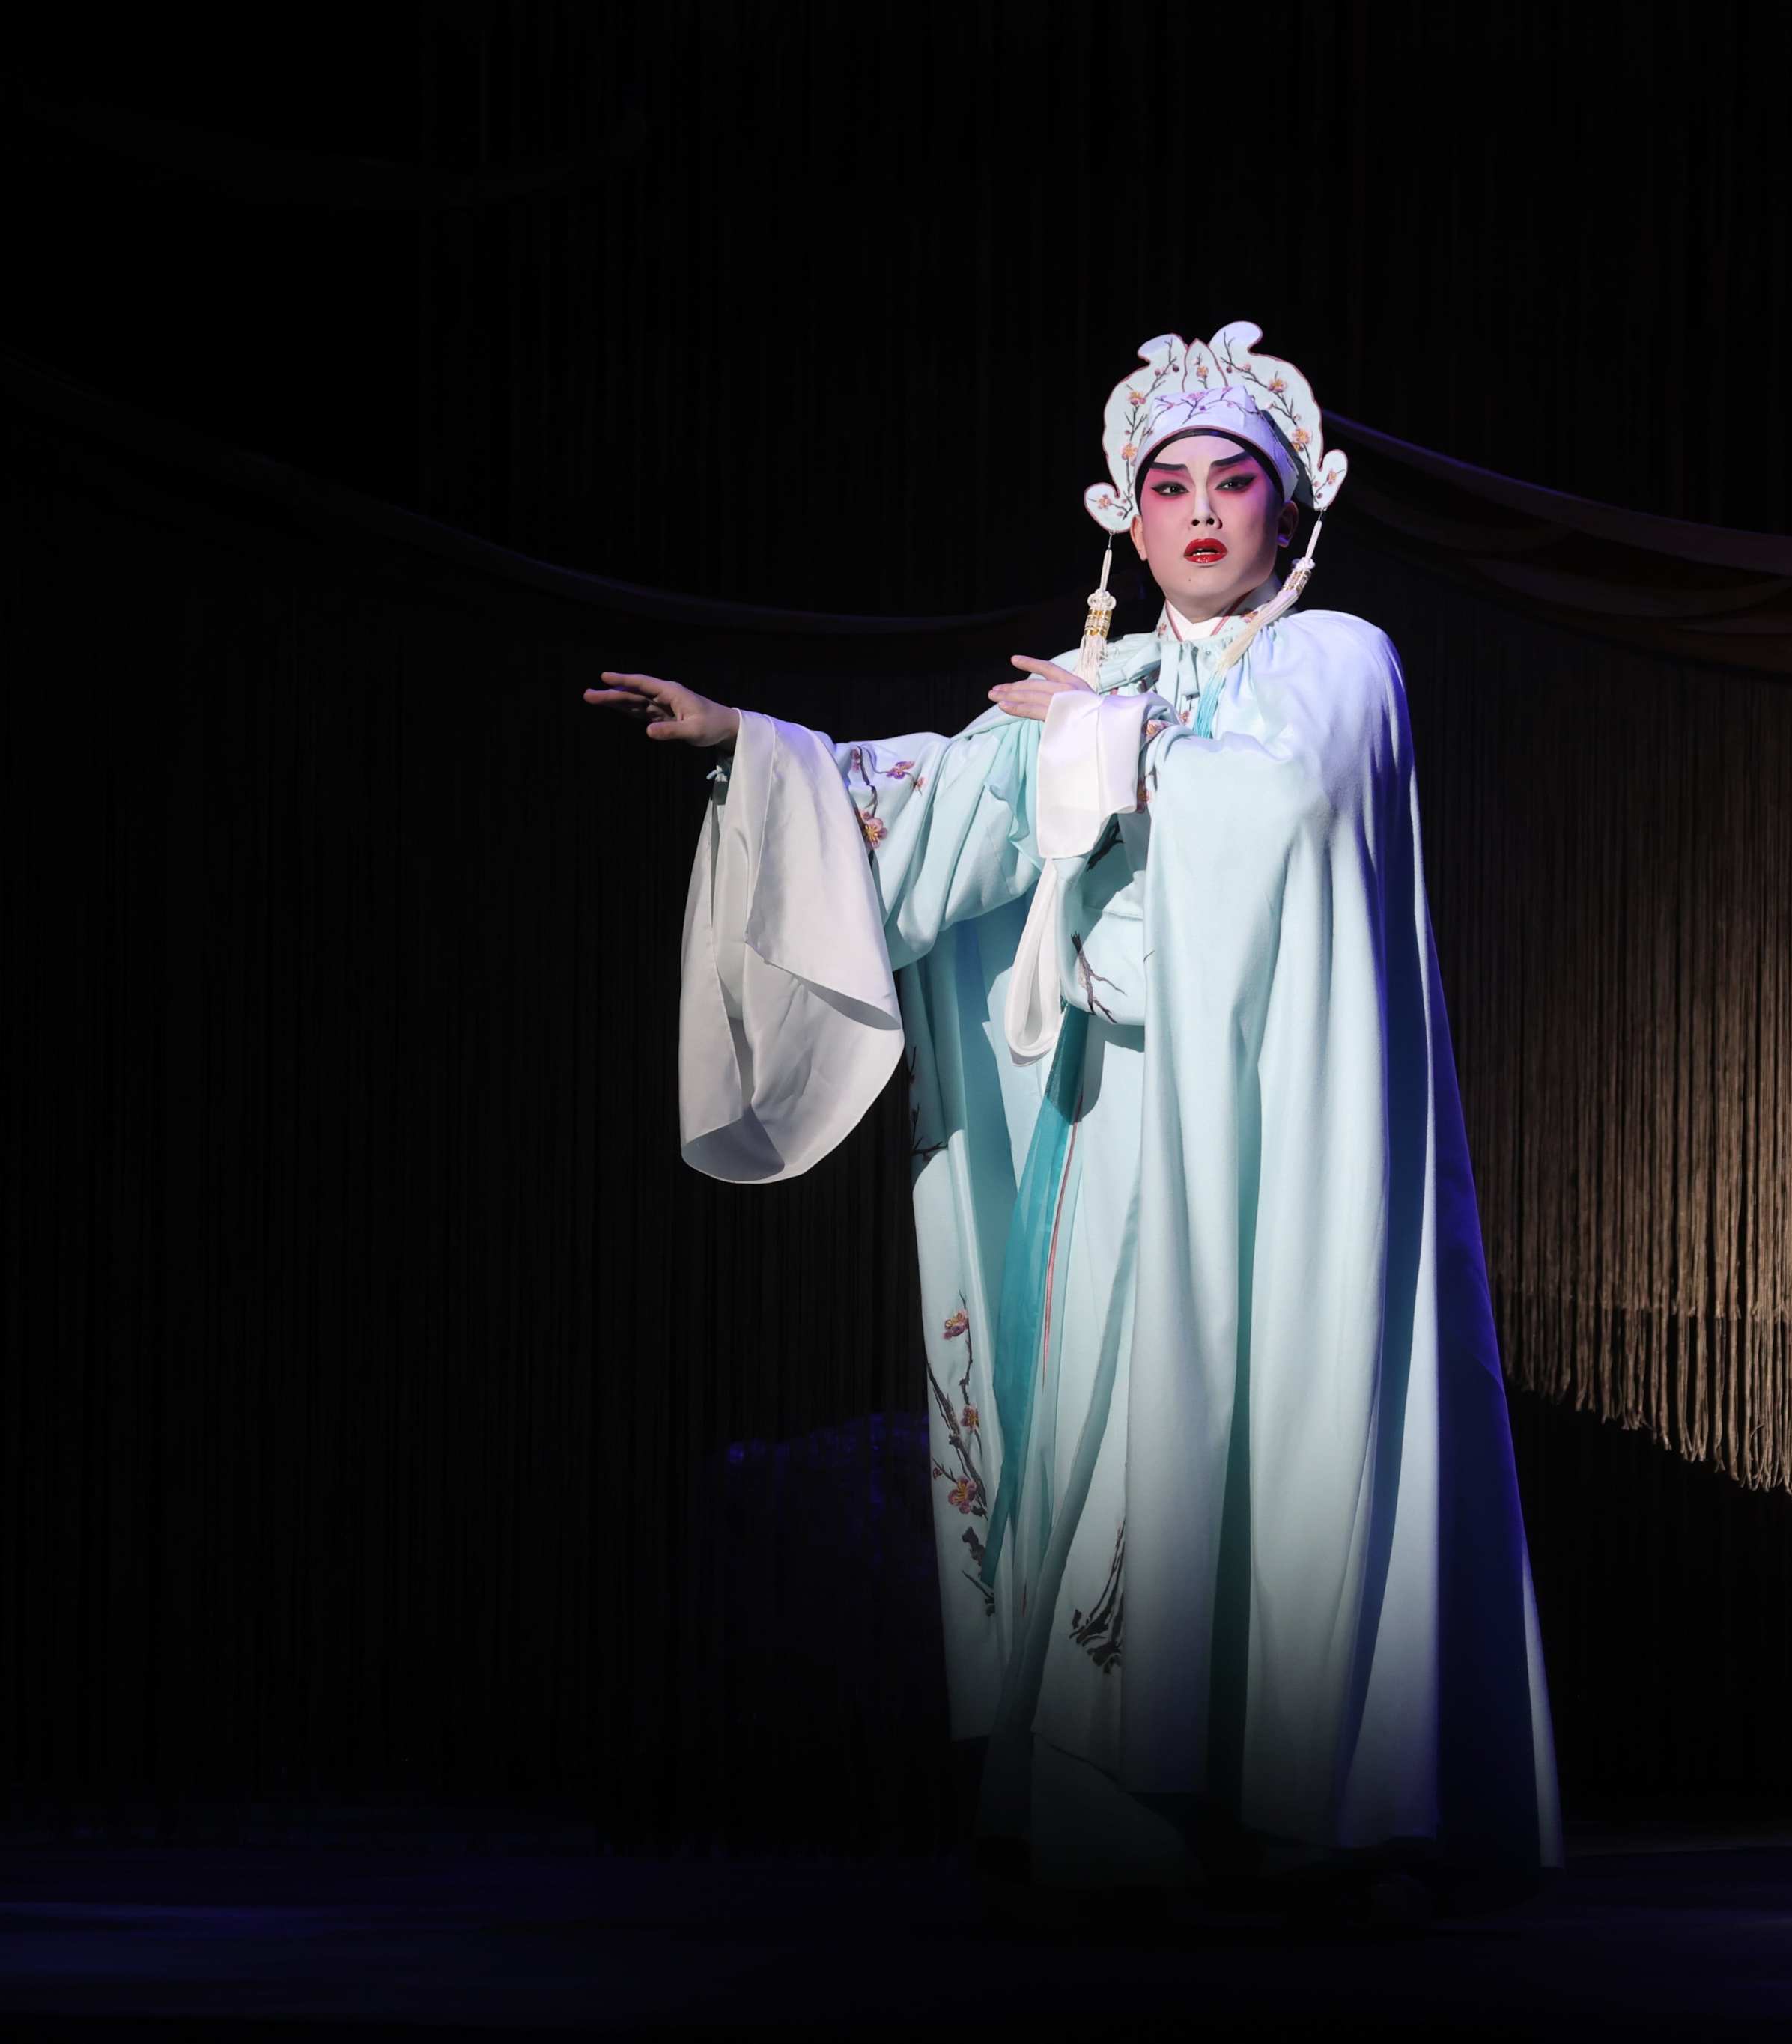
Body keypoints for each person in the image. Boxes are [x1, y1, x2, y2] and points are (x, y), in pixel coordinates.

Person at [584, 322, 1561, 1922]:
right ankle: (1119, 1800)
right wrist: (750, 755)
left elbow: (1283, 806)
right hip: (1121, 1133)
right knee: (1120, 1428)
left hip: (1282, 1139)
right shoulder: (1088, 680)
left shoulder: (1339, 661)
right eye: (1163, 483)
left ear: (1282, 508)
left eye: (1227, 482)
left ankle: (1313, 1801)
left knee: (1289, 1415)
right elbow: (919, 808)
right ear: (1124, 509)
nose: (1194, 512)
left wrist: (1102, 748)